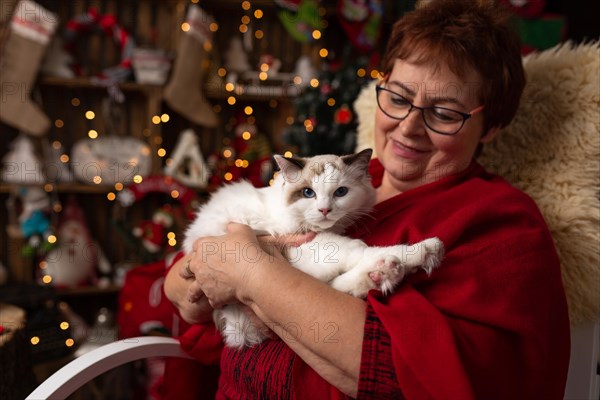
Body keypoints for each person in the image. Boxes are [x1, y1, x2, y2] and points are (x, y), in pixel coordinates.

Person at [163, 0, 571, 398]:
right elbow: (190, 282)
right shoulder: (346, 181)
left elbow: (409, 373)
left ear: (490, 127)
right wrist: (193, 285)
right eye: (397, 98)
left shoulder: (503, 225)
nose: (408, 127)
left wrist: (252, 276)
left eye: (444, 113)